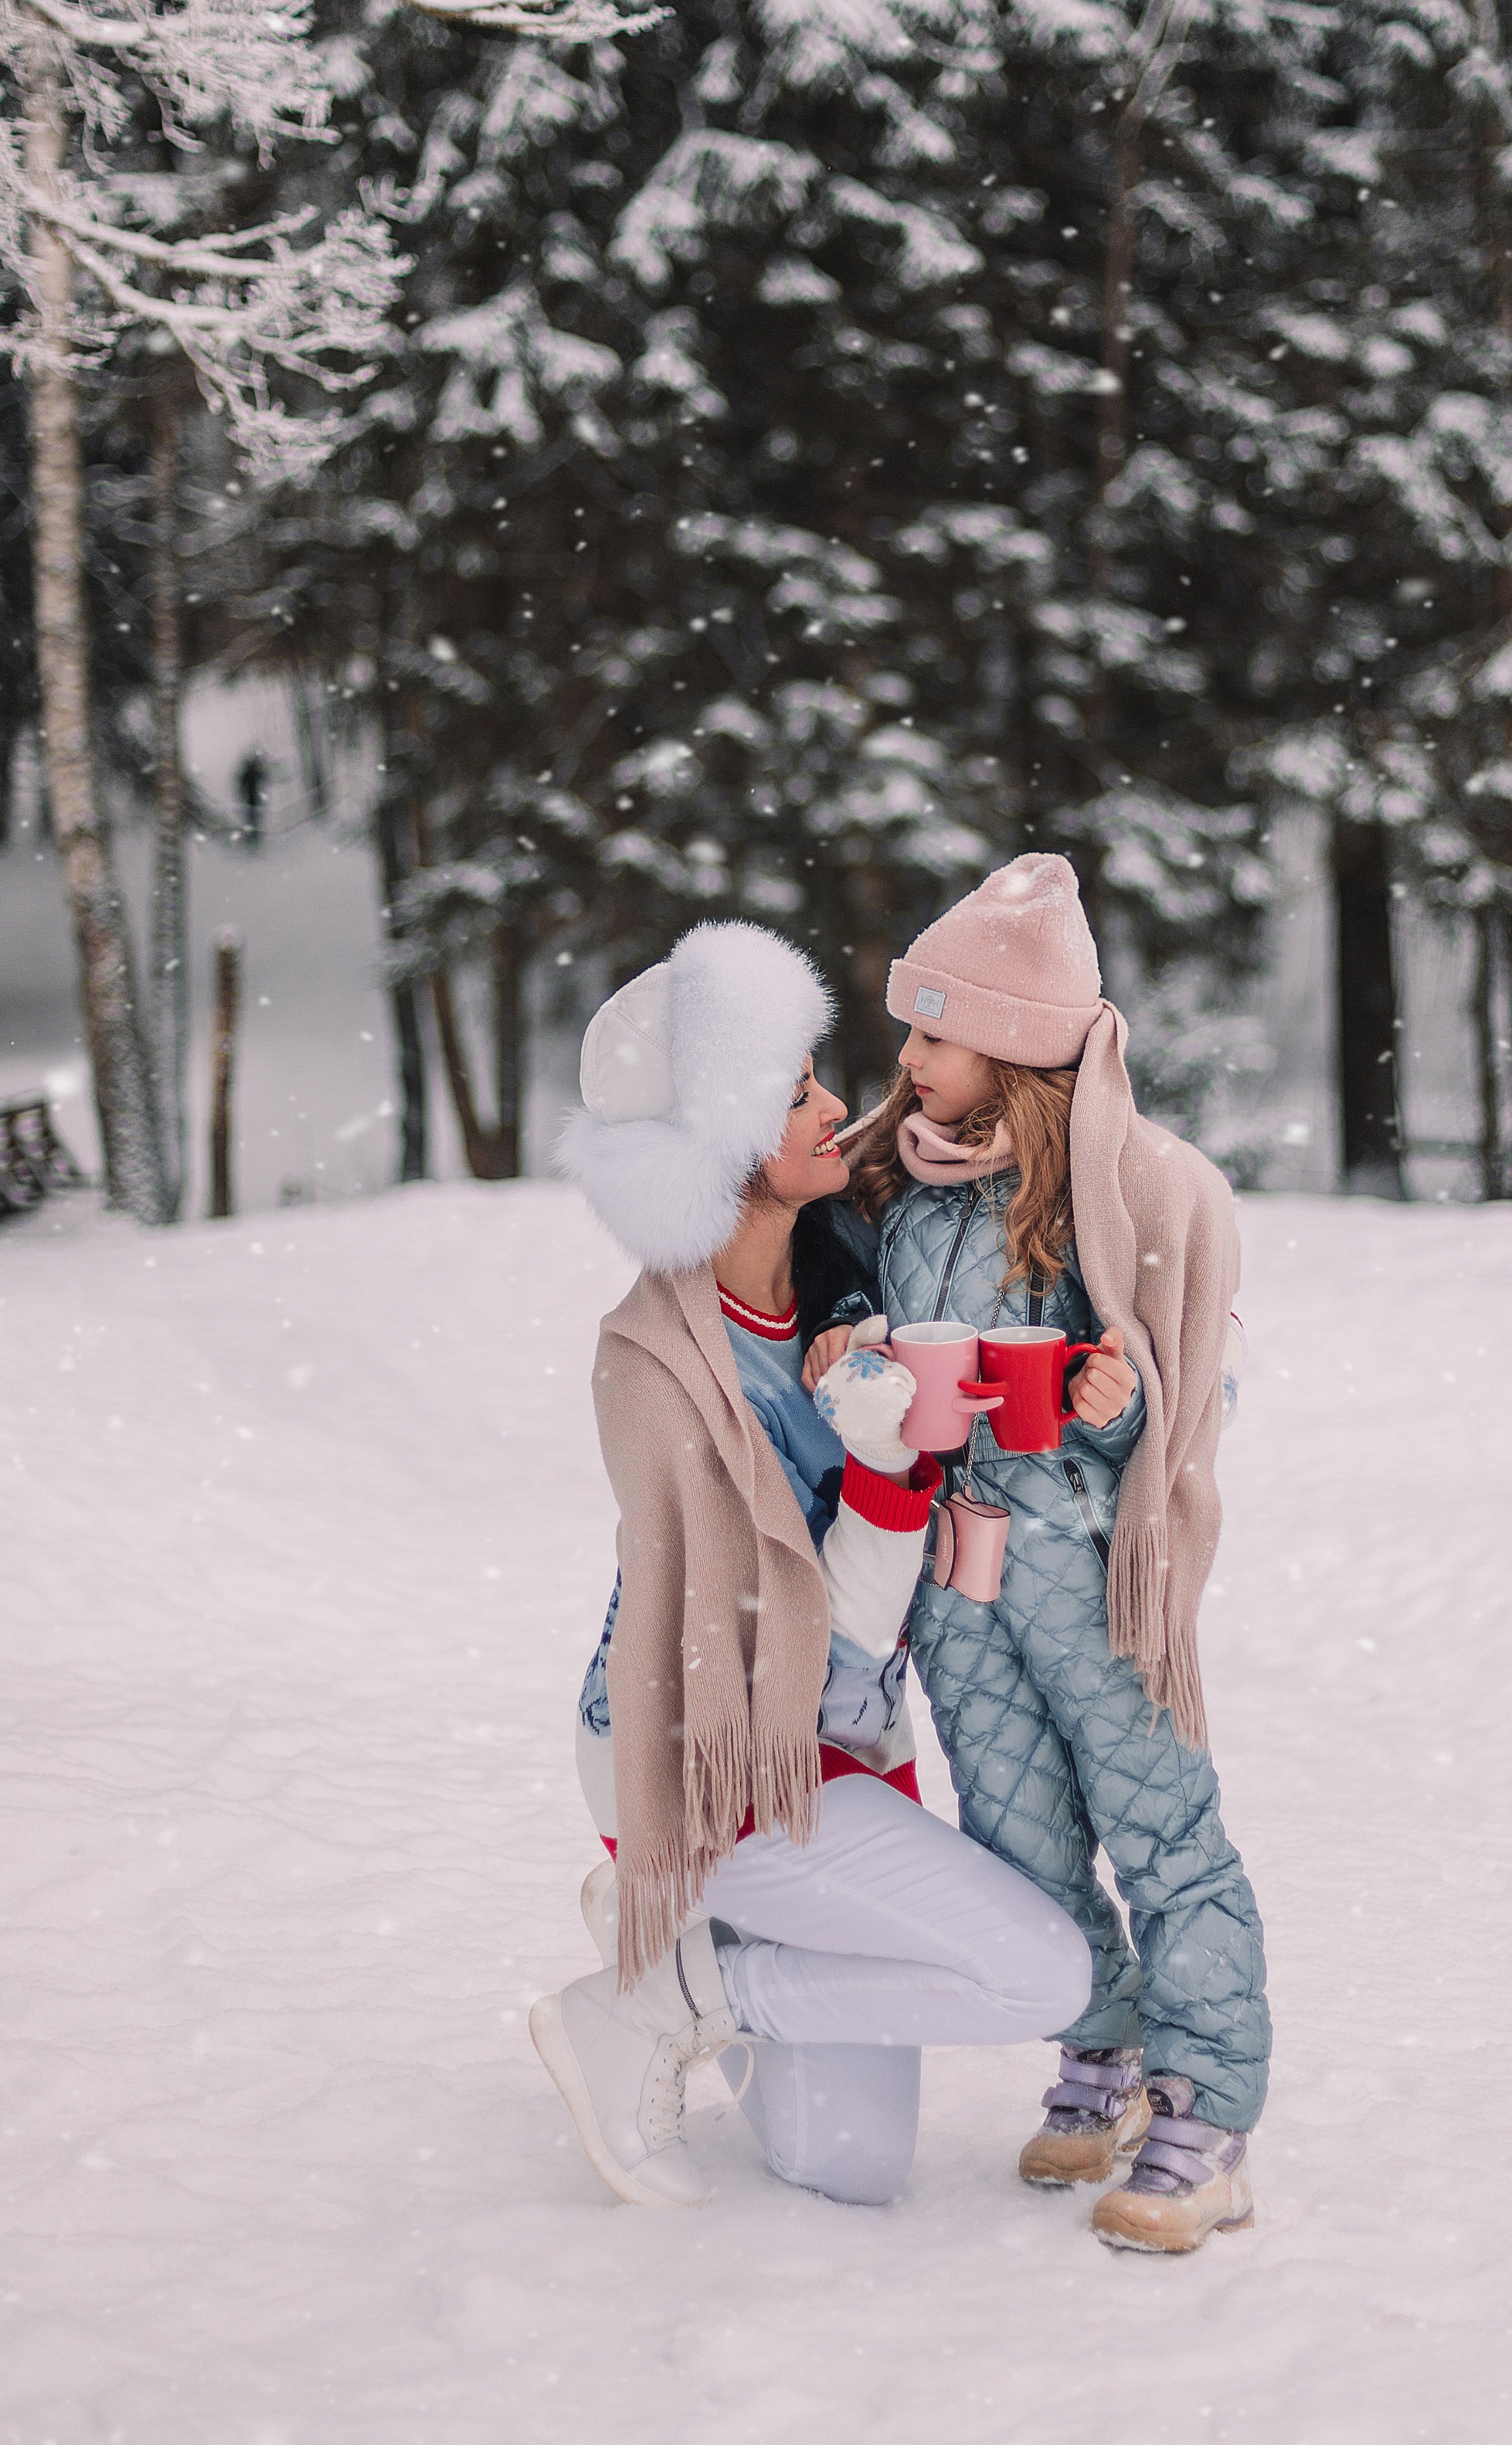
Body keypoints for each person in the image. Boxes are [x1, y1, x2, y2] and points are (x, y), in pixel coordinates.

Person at [536, 919, 1090, 2211]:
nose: (841, 1105)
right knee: (1041, 1976)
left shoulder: (850, 1256)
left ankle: (688, 1955)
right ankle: (671, 1989)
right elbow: (808, 1636)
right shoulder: (663, 1367)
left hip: (840, 1740)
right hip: (712, 1757)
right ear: (720, 1147)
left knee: (846, 2165)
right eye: (794, 1094)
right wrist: (890, 1475)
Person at [810, 853, 1269, 2255]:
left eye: (934, 1035)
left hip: (1090, 1578)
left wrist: (1117, 1404)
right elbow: (853, 1332)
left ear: (1011, 1050)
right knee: (1017, 1842)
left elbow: (1201, 1393)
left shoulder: (1124, 1196)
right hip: (956, 1590)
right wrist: (856, 1349)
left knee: (1161, 1831)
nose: (908, 1060)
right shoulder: (892, 1189)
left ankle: (1208, 2115)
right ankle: (1103, 2049)